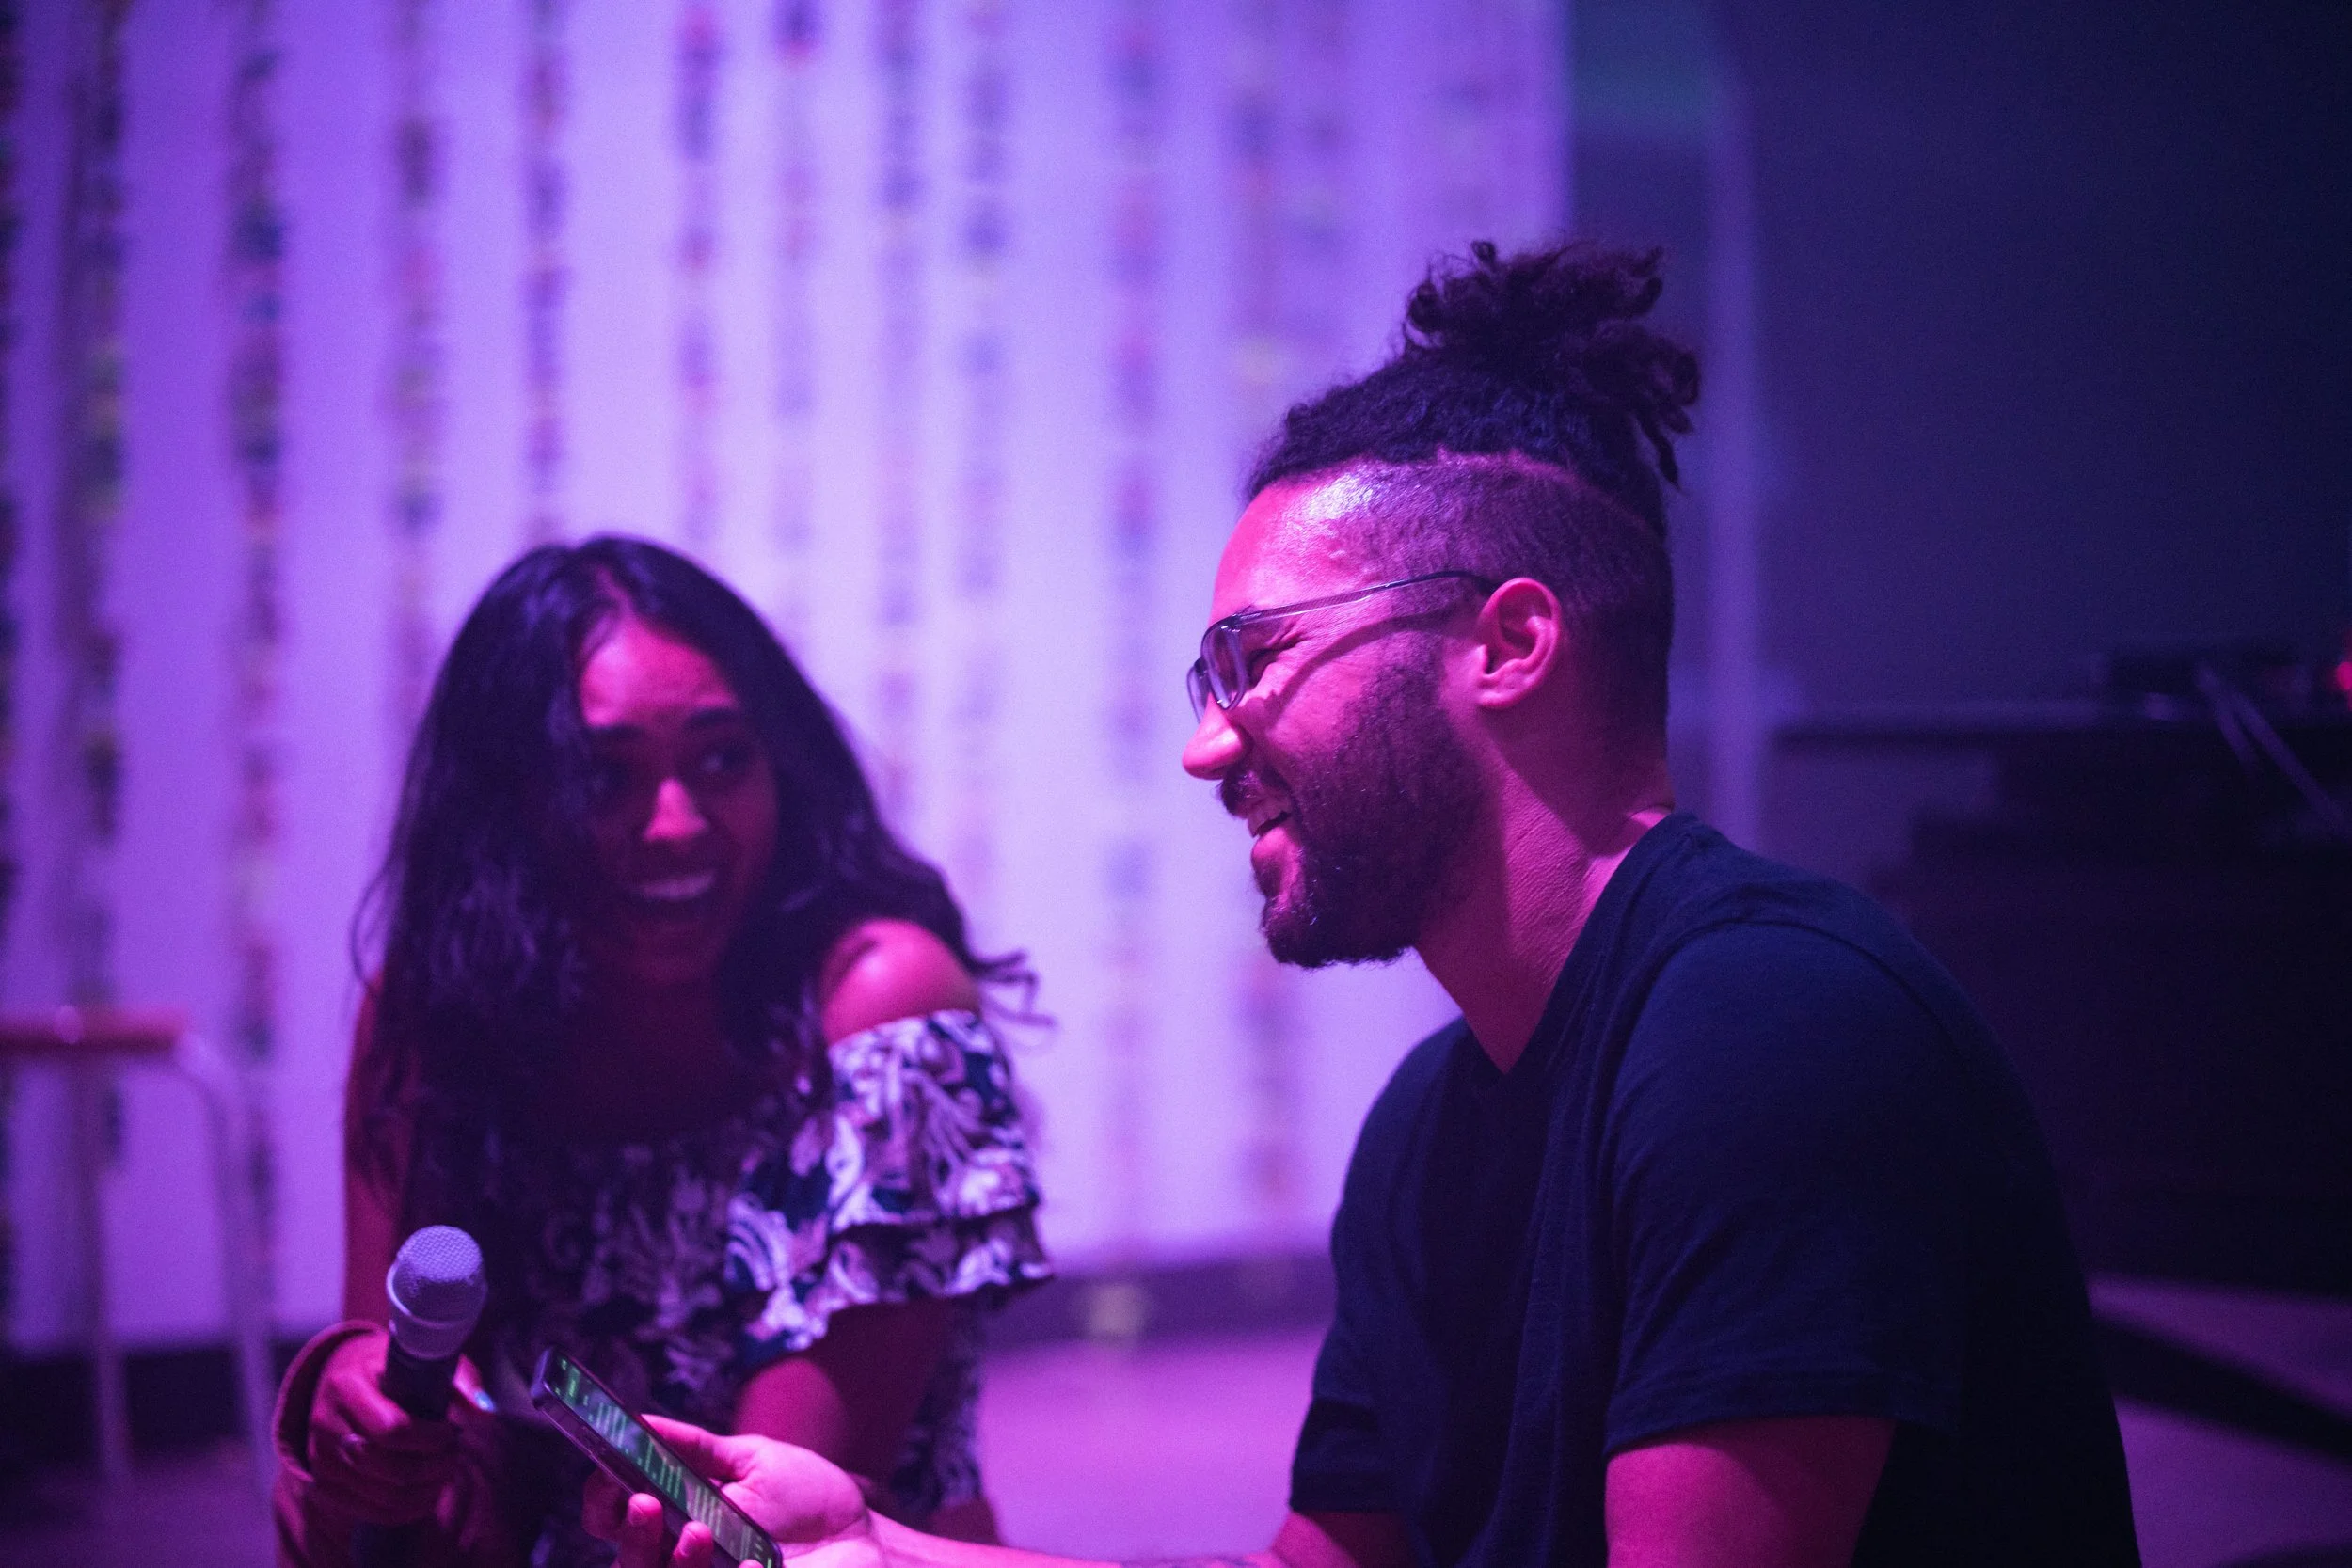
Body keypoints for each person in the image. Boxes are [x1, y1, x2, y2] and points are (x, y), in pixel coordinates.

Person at [587, 241, 2141, 1567]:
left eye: (1252, 662)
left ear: (1508, 644)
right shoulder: (1426, 1127)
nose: (1208, 746)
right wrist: (879, 1548)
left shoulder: (1765, 1032)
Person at [271, 537, 1051, 1567]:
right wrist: (366, 1420)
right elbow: (400, 1434)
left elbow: (758, 1527)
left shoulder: (882, 1006)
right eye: (604, 777)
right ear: (505, 807)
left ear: (785, 767)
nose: (676, 823)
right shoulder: (438, 1010)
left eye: (723, 760)